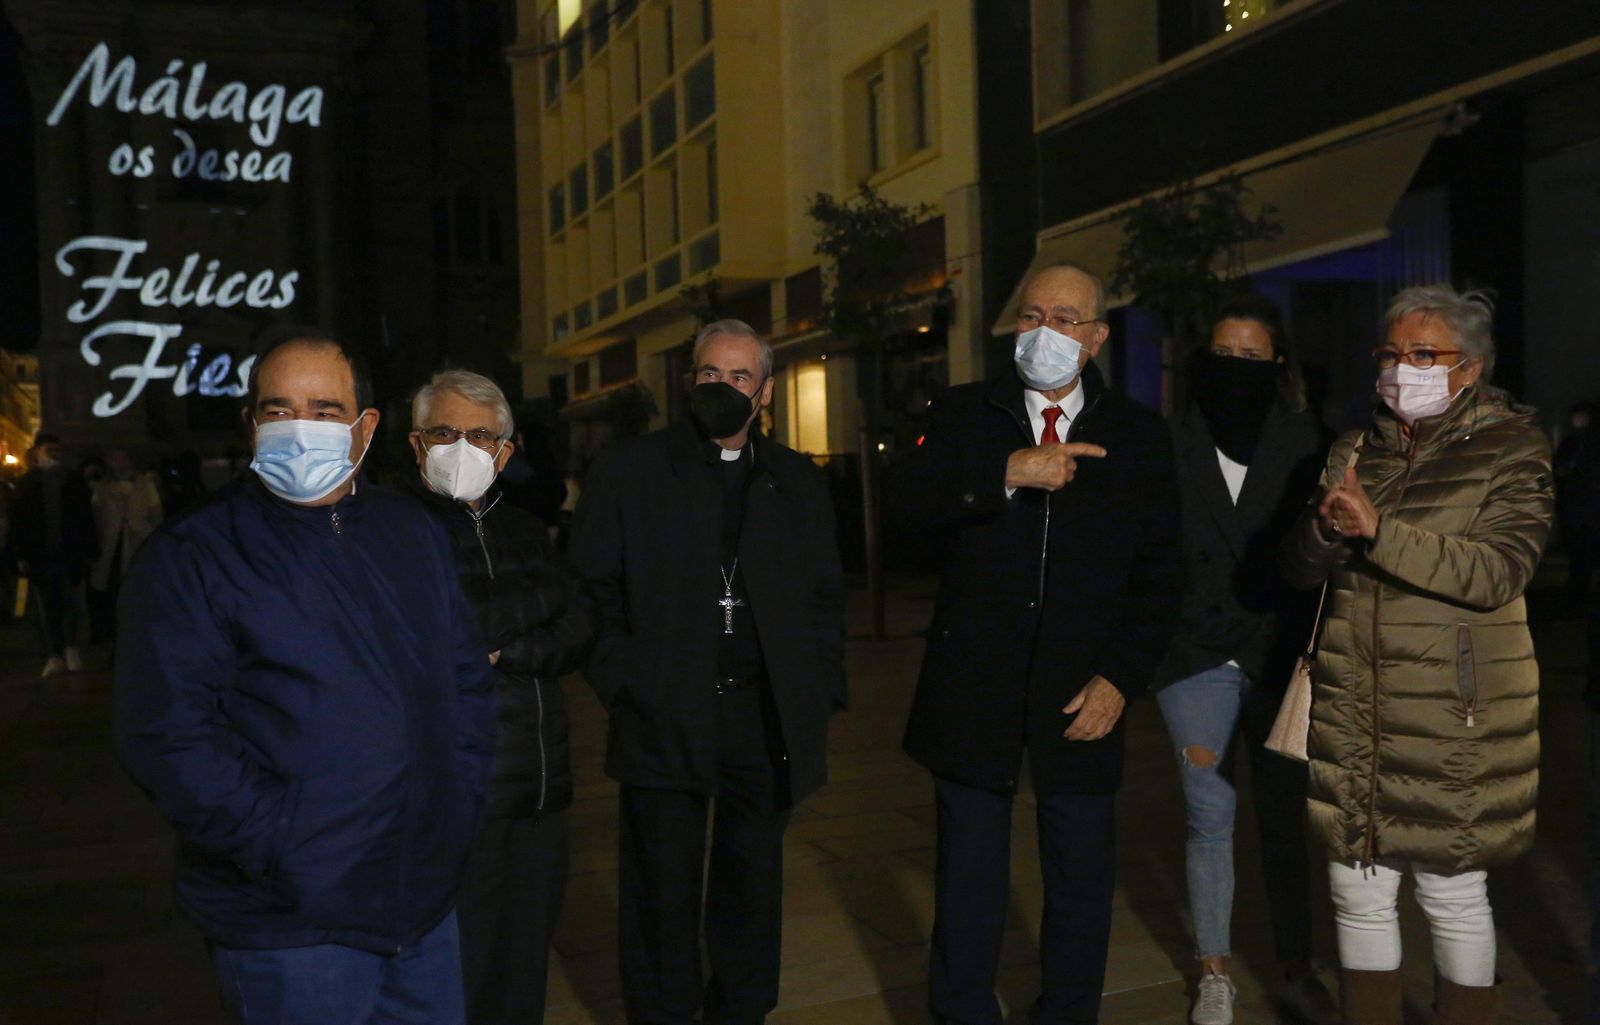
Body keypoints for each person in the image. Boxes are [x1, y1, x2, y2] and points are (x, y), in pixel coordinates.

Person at [113, 329, 497, 1025]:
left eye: (323, 411)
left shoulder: (411, 532)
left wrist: (458, 800)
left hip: (422, 904)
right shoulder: (192, 555)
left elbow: (465, 677)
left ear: (364, 426)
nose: (299, 428)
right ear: (251, 422)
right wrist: (283, 845)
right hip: (293, 926)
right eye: (277, 409)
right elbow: (166, 733)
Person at [895, 262, 1183, 1025]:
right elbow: (905, 514)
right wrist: (1005, 473)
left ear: (1095, 339)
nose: (1043, 333)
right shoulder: (963, 414)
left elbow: (1162, 576)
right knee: (968, 879)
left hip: (1082, 689)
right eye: (1030, 317)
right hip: (973, 685)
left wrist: (1119, 678)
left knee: (1082, 879)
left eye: (1063, 319)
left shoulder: (1138, 436)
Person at [1279, 284, 1553, 1025]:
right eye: (1391, 354)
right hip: (1354, 703)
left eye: (1422, 354)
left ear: (1469, 367)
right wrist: (1328, 532)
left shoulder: (1511, 446)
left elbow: (1499, 568)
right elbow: (1299, 568)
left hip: (1450, 716)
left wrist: (1378, 532)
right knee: (1357, 891)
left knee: (1451, 894)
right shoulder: (1354, 447)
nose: (1403, 368)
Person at [570, 318, 846, 1025]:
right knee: (660, 892)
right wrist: (628, 683)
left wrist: (818, 691)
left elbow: (823, 594)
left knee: (752, 888)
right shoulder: (632, 472)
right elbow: (591, 590)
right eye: (709, 376)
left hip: (764, 716)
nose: (723, 388)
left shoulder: (794, 480)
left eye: (740, 377)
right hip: (666, 715)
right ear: (689, 383)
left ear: (766, 392)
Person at [1150, 294, 1332, 1025]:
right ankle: (1214, 972)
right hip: (1194, 651)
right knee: (1209, 811)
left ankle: (1296, 964)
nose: (1235, 368)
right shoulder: (1170, 442)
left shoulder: (1306, 442)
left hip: (1277, 653)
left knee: (1284, 818)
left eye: (1250, 357)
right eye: (1223, 355)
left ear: (1276, 365)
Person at [406, 369, 595, 1025]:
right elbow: (451, 628)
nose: (462, 447)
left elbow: (579, 625)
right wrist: (534, 612)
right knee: (463, 973)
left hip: (542, 792)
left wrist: (508, 648)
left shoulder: (522, 529)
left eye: (479, 435)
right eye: (446, 432)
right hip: (464, 801)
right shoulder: (398, 529)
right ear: (416, 443)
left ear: (504, 452)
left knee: (524, 969)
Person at [8, 432, 98, 674]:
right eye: (49, 449)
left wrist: (89, 549)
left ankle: (69, 647)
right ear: (37, 452)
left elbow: (85, 518)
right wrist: (20, 555)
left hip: (68, 552)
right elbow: (18, 522)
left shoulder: (72, 481)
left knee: (70, 602)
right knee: (46, 606)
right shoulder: (26, 483)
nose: (54, 454)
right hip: (41, 554)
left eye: (57, 450)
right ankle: (53, 653)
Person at [87, 448, 164, 643]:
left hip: (138, 544)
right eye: (116, 459)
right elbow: (95, 518)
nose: (120, 463)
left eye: (124, 458)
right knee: (111, 593)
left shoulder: (145, 485)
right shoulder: (102, 488)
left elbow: (156, 516)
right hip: (110, 548)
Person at [1556, 400, 1599, 605]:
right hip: (1577, 506)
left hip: (1583, 507)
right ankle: (1577, 593)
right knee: (1578, 552)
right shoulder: (1573, 443)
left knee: (1582, 553)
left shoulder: (1584, 444)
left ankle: (1578, 594)